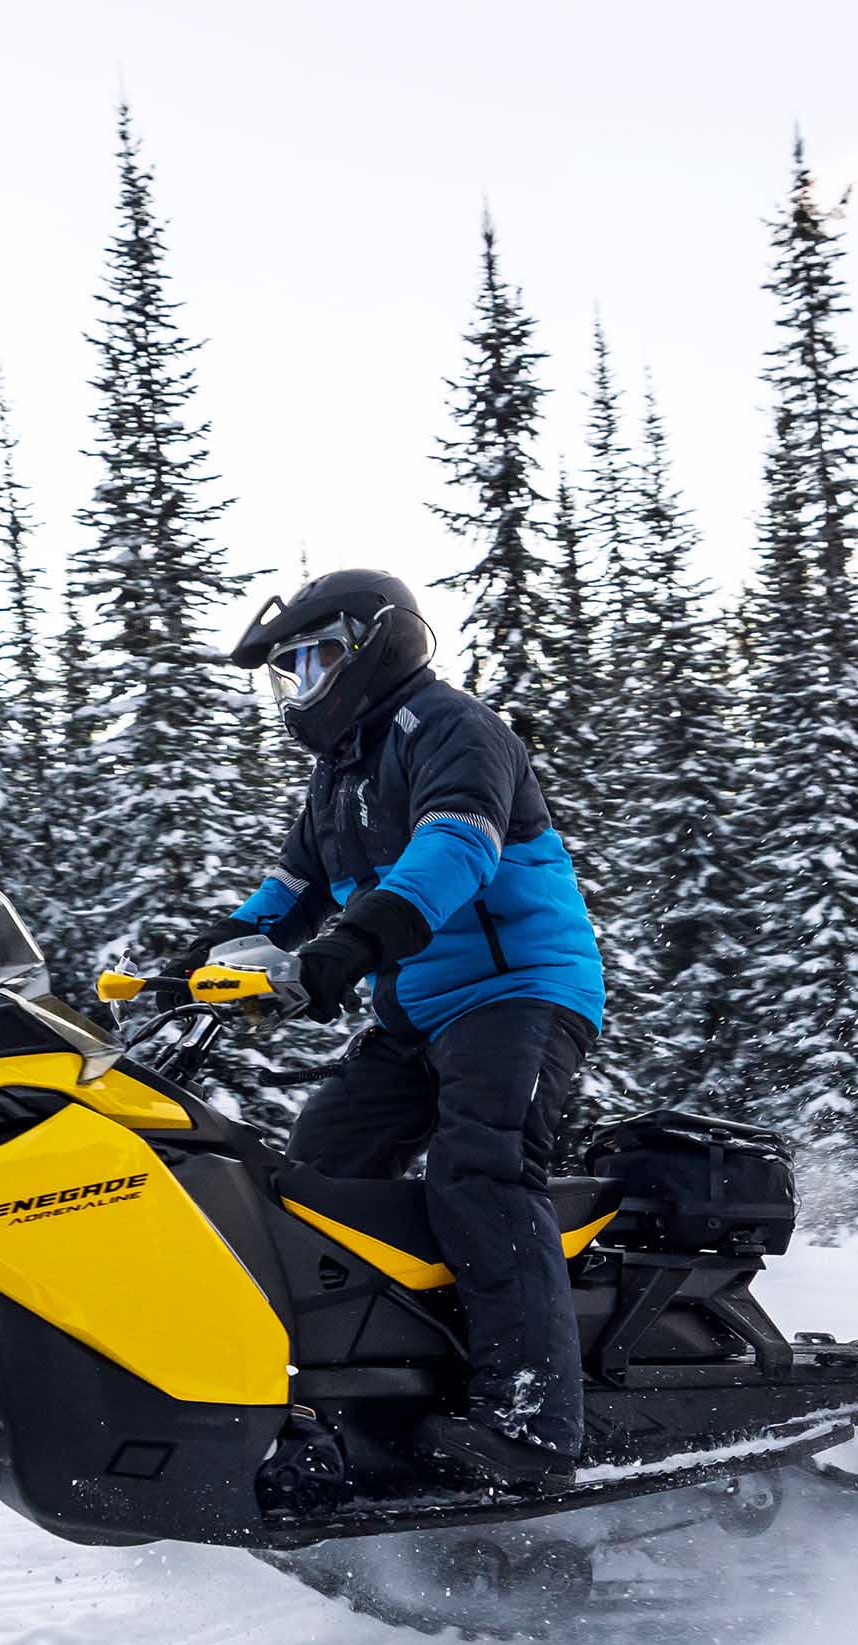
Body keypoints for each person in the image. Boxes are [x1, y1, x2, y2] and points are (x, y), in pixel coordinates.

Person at [190, 569, 608, 1492]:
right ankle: (357, 1398)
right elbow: (291, 893)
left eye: (317, 660)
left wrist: (353, 945)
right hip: (416, 1013)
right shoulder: (337, 777)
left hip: (519, 994)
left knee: (484, 1169)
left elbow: (456, 847)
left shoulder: (454, 728)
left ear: (378, 643)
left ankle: (532, 1430)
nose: (304, 685)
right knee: (314, 1180)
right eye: (291, 671)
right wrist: (203, 953)